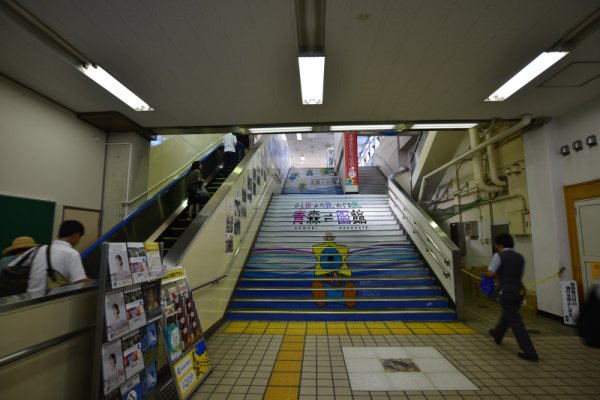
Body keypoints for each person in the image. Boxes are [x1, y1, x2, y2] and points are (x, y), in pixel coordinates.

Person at [487, 233, 539, 362]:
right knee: (509, 313)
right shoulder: (519, 257)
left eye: (497, 246)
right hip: (520, 291)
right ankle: (498, 333)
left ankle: (530, 351)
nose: (496, 248)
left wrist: (490, 276)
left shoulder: (498, 256)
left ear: (500, 245)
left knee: (515, 320)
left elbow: (491, 273)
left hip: (507, 292)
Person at [8, 220, 90, 293]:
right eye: (80, 238)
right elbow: (80, 281)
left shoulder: (37, 249)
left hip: (28, 299)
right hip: (51, 302)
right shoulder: (71, 253)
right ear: (76, 235)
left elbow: (11, 267)